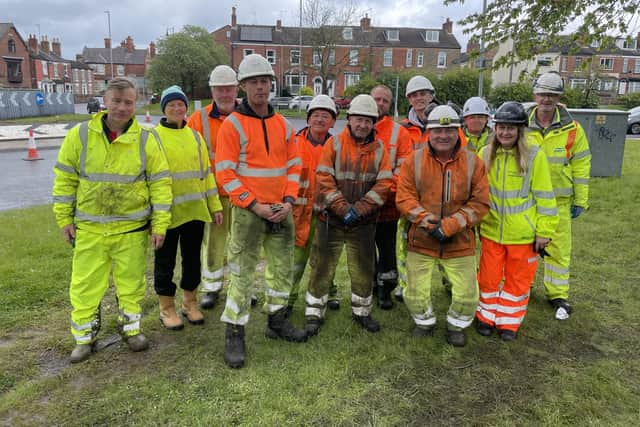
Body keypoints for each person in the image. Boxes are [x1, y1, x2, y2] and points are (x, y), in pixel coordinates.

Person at [52, 77, 172, 363]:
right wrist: (64, 219)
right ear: (104, 101)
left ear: (136, 104)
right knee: (84, 285)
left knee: (131, 283)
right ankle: (84, 338)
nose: (122, 107)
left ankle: (131, 329)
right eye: (116, 101)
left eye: (128, 102)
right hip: (90, 230)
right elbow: (65, 180)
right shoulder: (80, 135)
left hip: (131, 229)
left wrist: (160, 224)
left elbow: (160, 184)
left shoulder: (147, 138)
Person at [215, 54, 307, 368]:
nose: (260, 87)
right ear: (243, 86)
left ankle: (276, 322)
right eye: (254, 82)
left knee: (282, 270)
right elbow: (225, 174)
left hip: (282, 210)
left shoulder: (283, 124)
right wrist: (256, 206)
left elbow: (295, 166)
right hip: (248, 212)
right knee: (241, 273)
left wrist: (289, 202)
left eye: (264, 81)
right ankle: (235, 332)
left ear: (271, 84)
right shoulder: (232, 125)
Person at [396, 105, 489, 347]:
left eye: (449, 130)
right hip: (421, 238)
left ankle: (456, 326)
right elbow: (404, 197)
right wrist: (426, 220)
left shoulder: (473, 162)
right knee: (414, 292)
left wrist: (449, 226)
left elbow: (480, 203)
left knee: (468, 294)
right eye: (438, 131)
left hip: (459, 240)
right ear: (429, 133)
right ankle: (423, 322)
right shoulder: (413, 161)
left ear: (458, 131)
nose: (444, 135)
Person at [304, 94, 393, 337]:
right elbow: (323, 178)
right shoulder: (333, 145)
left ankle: (362, 312)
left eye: (368, 120)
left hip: (363, 223)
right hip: (330, 220)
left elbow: (384, 184)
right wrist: (343, 208)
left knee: (363, 268)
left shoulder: (380, 150)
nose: (363, 125)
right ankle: (314, 311)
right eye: (359, 119)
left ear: (374, 123)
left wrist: (360, 209)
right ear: (349, 119)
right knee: (322, 267)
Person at [476, 102, 558, 340]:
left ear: (521, 129)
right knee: (488, 280)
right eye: (501, 127)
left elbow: (545, 196)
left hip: (523, 235)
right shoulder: (485, 154)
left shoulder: (534, 156)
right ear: (495, 128)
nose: (505, 132)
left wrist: (544, 231)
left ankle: (509, 324)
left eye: (511, 128)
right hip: (491, 231)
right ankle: (485, 318)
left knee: (517, 283)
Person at [153, 85, 223, 331]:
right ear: (164, 108)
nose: (176, 108)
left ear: (185, 108)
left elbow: (207, 174)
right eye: (171, 104)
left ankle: (190, 303)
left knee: (192, 260)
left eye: (180, 104)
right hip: (166, 215)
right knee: (165, 263)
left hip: (195, 212)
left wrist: (215, 206)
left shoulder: (195, 136)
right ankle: (166, 308)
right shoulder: (153, 137)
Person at [525, 72, 591, 320]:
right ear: (535, 95)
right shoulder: (523, 123)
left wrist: (581, 200)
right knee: (525, 248)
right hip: (527, 201)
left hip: (559, 202)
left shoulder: (573, 129)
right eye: (543, 94)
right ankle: (523, 288)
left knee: (559, 251)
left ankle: (557, 294)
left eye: (552, 95)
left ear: (559, 97)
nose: (546, 99)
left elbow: (582, 165)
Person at [186, 65, 239, 310]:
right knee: (214, 244)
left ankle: (241, 287)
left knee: (242, 243)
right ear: (212, 90)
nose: (225, 93)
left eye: (228, 88)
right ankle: (212, 288)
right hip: (215, 195)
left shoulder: (247, 115)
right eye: (220, 88)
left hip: (243, 195)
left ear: (236, 88)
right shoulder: (199, 119)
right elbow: (190, 157)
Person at [287, 94, 338, 314]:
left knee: (325, 258)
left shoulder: (337, 147)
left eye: (325, 116)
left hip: (326, 214)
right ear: (308, 119)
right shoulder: (294, 143)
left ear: (333, 121)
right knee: (295, 261)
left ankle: (329, 293)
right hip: (298, 214)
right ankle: (288, 299)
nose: (319, 120)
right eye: (315, 115)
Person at [370, 85, 412, 309]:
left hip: (387, 208)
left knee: (387, 252)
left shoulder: (400, 133)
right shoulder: (356, 127)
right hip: (364, 209)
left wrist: (379, 193)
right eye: (376, 99)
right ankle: (369, 288)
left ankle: (385, 290)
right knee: (366, 253)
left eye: (385, 100)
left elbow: (403, 171)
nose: (380, 103)